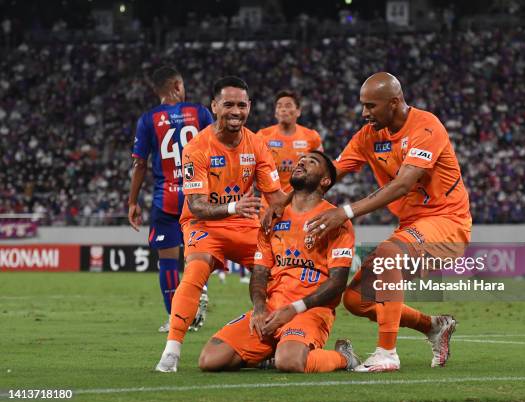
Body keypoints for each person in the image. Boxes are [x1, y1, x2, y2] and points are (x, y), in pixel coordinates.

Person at [303, 72, 472, 372]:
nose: (364, 113)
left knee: (389, 254)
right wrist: (288, 198)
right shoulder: (369, 135)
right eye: (363, 106)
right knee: (356, 300)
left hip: (448, 223)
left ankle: (387, 353)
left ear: (394, 102)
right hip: (412, 226)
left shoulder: (426, 126)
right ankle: (433, 326)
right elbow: (331, 174)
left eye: (371, 106)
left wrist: (346, 211)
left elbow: (402, 185)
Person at [155, 76, 286, 372]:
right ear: (214, 106)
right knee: (197, 267)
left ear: (250, 107)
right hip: (205, 224)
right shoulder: (197, 147)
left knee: (277, 270)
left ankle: (276, 340)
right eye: (228, 104)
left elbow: (276, 198)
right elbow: (196, 204)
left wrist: (310, 208)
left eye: (242, 105)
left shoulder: (258, 145)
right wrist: (233, 206)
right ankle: (172, 351)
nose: (236, 111)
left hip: (243, 224)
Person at [198, 151, 361, 373]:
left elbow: (338, 282)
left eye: (312, 162)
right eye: (301, 160)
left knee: (290, 362)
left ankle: (343, 357)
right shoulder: (273, 217)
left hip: (309, 310)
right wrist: (259, 307)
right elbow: (260, 272)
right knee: (210, 360)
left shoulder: (335, 220)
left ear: (325, 181)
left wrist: (294, 309)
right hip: (272, 308)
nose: (302, 162)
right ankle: (270, 350)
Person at [128, 66, 213, 333]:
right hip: (198, 196)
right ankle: (200, 289)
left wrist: (133, 201)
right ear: (177, 85)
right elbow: (218, 149)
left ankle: (175, 318)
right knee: (197, 254)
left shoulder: (147, 120)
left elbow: (140, 164)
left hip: (165, 199)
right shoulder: (199, 113)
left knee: (167, 261)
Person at [256, 90, 323, 194]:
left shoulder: (312, 137)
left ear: (298, 111)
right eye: (279, 106)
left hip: (300, 202)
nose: (283, 109)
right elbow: (251, 169)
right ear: (275, 113)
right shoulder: (262, 136)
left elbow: (320, 169)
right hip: (270, 202)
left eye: (288, 106)